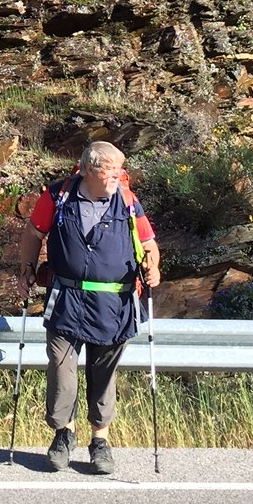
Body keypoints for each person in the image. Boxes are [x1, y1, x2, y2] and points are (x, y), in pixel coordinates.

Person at [20, 140, 161, 475]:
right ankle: (63, 435)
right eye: (110, 169)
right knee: (60, 367)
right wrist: (26, 268)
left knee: (103, 374)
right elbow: (33, 232)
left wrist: (153, 267)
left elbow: (148, 244)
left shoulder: (127, 201)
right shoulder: (57, 197)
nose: (118, 175)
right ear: (87, 169)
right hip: (66, 299)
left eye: (120, 168)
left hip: (114, 303)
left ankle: (100, 442)